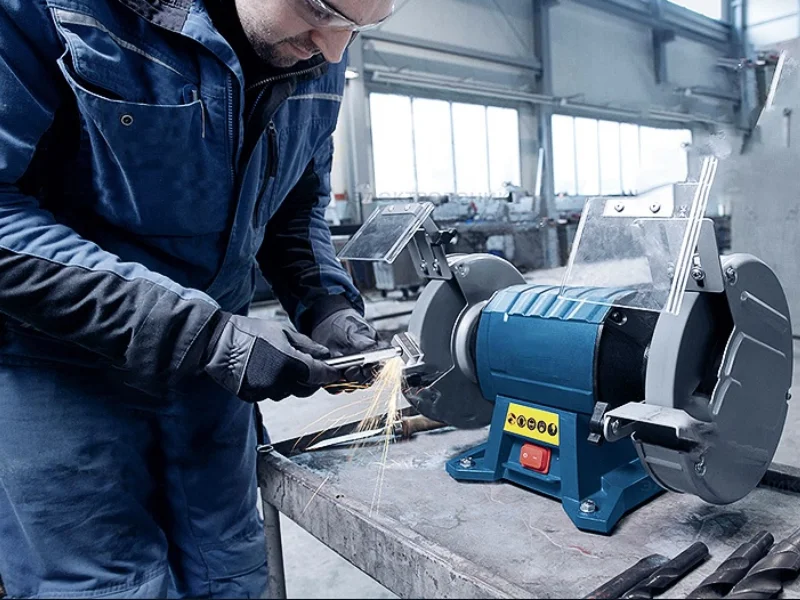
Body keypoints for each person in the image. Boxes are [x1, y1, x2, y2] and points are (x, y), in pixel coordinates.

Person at [0, 0, 395, 597]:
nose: (336, 48)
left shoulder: (319, 48)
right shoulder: (48, 12)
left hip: (211, 389)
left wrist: (326, 305)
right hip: (60, 377)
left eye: (360, 27)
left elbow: (293, 205)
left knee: (229, 573)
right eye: (320, 8)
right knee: (107, 587)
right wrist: (202, 335)